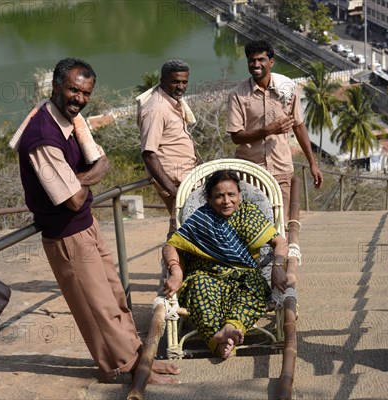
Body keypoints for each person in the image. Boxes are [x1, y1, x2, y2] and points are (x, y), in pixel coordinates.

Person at [16, 58, 180, 383]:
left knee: (115, 295)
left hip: (85, 223)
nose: (79, 98)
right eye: (73, 90)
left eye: (85, 93)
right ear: (56, 86)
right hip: (66, 235)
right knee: (98, 307)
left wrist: (82, 176)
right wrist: (89, 175)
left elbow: (102, 164)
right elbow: (74, 196)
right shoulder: (42, 136)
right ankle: (124, 367)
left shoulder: (70, 122)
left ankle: (136, 356)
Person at [161, 170, 289, 358]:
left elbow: (280, 242)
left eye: (231, 195)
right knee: (198, 287)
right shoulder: (202, 218)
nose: (226, 201)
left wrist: (278, 267)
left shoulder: (249, 213)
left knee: (255, 288)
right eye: (219, 196)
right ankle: (220, 341)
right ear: (210, 200)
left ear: (239, 194)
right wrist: (176, 273)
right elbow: (171, 246)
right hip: (207, 276)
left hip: (243, 276)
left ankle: (230, 329)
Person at [226, 40, 323, 218]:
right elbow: (236, 137)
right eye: (252, 60)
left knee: (281, 220)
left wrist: (312, 163)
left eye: (261, 60)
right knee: (252, 222)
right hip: (251, 171)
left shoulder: (288, 90)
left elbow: (299, 126)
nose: (256, 65)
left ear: (271, 62)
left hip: (281, 169)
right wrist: (268, 130)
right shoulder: (237, 95)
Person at [137, 59, 198, 236]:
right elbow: (148, 153)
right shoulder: (157, 109)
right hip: (174, 182)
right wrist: (173, 190)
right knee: (182, 230)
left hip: (185, 179)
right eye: (175, 81)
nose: (180, 87)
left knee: (189, 228)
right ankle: (172, 262)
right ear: (163, 81)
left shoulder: (172, 102)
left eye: (184, 82)